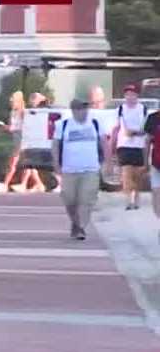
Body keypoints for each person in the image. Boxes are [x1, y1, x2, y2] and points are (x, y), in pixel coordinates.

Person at [52, 98, 109, 241]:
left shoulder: (95, 124)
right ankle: (76, 223)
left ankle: (81, 227)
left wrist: (108, 163)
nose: (83, 112)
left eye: (85, 109)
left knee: (87, 199)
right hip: (69, 170)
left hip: (90, 169)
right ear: (74, 111)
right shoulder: (63, 125)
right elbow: (55, 146)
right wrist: (56, 165)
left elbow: (104, 143)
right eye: (80, 109)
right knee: (69, 200)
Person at [113, 84, 148, 210]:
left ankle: (136, 199)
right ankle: (128, 201)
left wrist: (135, 132)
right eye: (127, 94)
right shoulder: (120, 110)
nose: (129, 97)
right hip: (124, 145)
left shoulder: (143, 109)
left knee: (138, 175)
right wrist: (112, 146)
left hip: (139, 146)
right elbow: (116, 128)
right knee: (126, 173)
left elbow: (146, 129)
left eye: (132, 94)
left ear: (137, 96)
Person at [0, 91, 26, 193]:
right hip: (16, 139)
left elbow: (26, 127)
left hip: (22, 139)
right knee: (27, 165)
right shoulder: (13, 112)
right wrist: (4, 127)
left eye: (13, 100)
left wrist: (12, 128)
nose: (11, 102)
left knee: (13, 163)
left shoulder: (23, 112)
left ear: (19, 101)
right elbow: (12, 127)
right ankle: (36, 184)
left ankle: (6, 184)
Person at [145, 108, 160, 219]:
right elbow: (147, 141)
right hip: (156, 163)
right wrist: (145, 162)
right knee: (156, 193)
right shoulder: (153, 118)